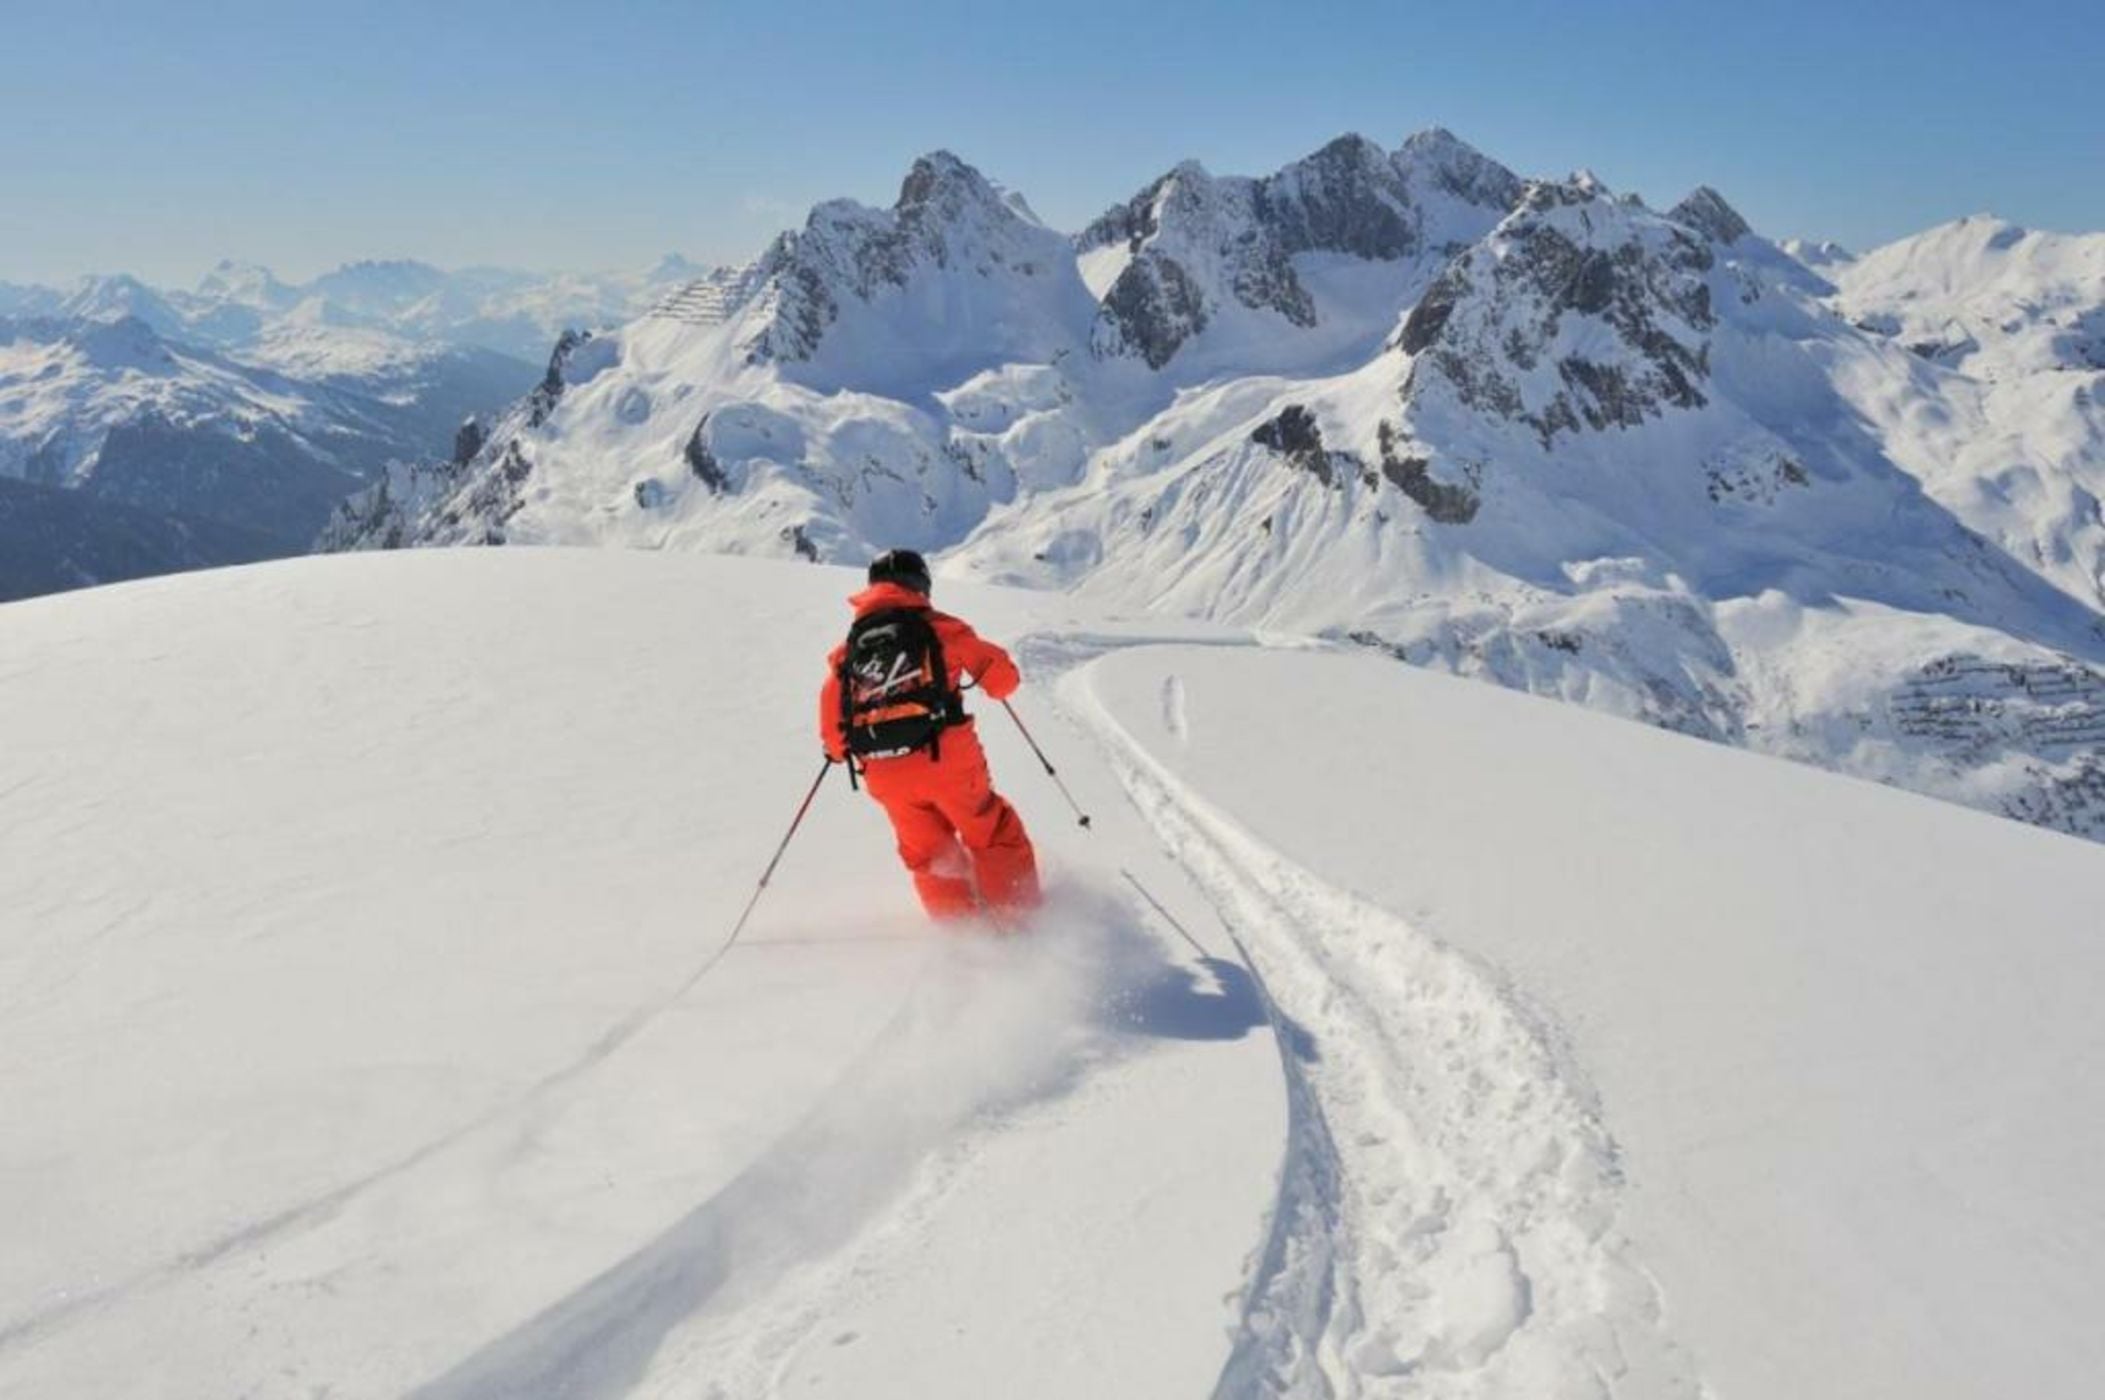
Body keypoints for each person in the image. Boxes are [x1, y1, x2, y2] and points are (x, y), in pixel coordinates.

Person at [819, 549, 1042, 920]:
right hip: (946, 761)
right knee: (992, 834)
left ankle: (962, 937)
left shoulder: (848, 651)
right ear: (921, 585)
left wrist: (840, 749)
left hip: (884, 773)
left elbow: (833, 732)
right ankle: (1021, 925)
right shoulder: (940, 629)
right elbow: (1002, 682)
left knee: (928, 855)